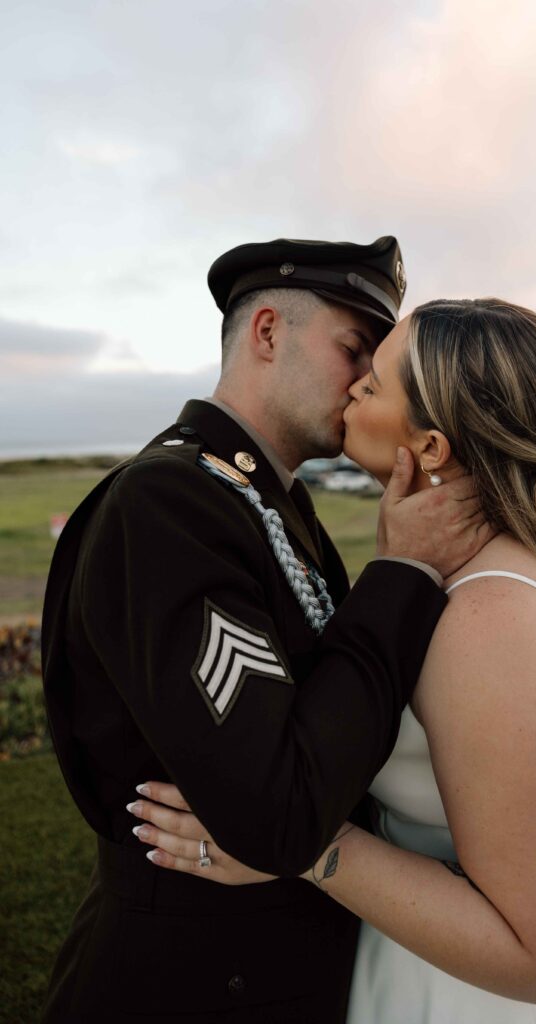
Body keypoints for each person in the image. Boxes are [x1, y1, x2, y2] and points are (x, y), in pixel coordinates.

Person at [132, 299, 536, 1022]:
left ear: (428, 448)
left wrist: (302, 849)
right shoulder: (456, 578)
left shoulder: (491, 619)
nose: (354, 383)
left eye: (377, 378)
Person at [40, 239, 493, 1023]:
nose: (365, 385)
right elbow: (279, 813)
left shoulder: (272, 503)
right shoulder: (168, 503)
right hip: (191, 984)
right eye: (355, 348)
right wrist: (402, 574)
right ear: (268, 332)